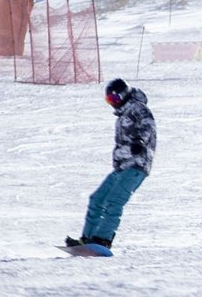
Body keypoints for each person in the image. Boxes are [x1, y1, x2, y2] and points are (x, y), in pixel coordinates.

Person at [65, 78, 155, 252]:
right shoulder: (123, 113)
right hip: (122, 166)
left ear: (124, 95)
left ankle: (103, 239)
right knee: (97, 199)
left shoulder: (138, 108)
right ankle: (88, 238)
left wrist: (141, 140)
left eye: (115, 99)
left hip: (136, 164)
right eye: (110, 101)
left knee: (114, 202)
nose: (113, 104)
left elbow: (148, 125)